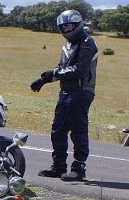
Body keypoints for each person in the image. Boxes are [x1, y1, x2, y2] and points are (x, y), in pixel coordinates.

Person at [30, 9, 99, 182]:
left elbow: (79, 70)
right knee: (58, 130)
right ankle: (58, 166)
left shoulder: (87, 42)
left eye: (69, 26)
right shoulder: (66, 46)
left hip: (82, 92)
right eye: (63, 27)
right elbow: (62, 68)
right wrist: (43, 80)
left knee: (78, 130)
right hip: (66, 92)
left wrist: (53, 73)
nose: (66, 30)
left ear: (77, 25)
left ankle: (78, 168)